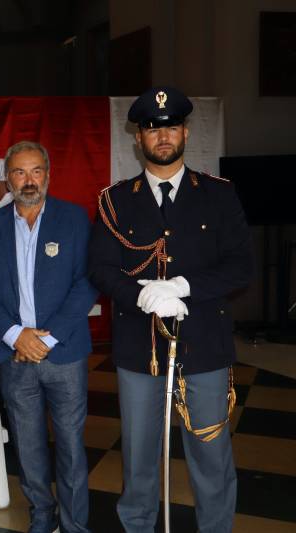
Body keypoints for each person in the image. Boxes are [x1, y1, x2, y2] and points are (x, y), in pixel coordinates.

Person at [88, 86, 253, 533]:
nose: (163, 136)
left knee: (210, 451)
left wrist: (184, 286)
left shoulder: (218, 195)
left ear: (185, 132)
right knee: (140, 453)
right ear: (137, 139)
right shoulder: (116, 199)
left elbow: (241, 265)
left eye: (172, 127)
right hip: (140, 348)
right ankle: (138, 526)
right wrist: (140, 295)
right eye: (152, 128)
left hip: (204, 344)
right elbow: (101, 267)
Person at [0, 141, 96, 533]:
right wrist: (14, 336)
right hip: (15, 356)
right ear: (7, 178)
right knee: (27, 443)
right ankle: (42, 513)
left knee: (71, 446)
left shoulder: (75, 220)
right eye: (20, 172)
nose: (29, 180)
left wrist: (48, 338)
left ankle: (75, 524)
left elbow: (87, 282)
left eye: (36, 171)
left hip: (65, 353)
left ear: (48, 174)